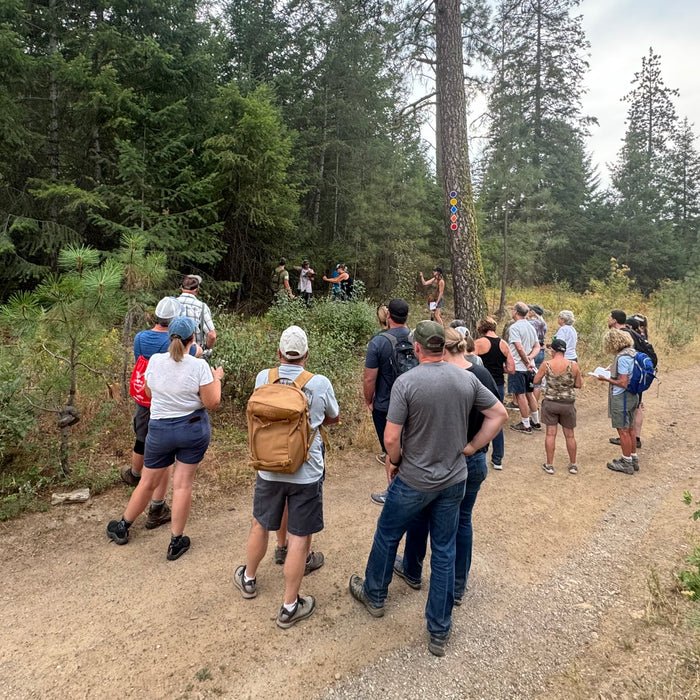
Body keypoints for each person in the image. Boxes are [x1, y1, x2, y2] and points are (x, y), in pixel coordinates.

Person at [348, 321, 506, 657]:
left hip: (414, 479)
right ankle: (439, 629)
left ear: (418, 348)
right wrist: (471, 448)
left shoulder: (407, 383)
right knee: (445, 551)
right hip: (453, 479)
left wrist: (395, 460)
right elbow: (499, 414)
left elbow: (391, 437)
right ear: (443, 346)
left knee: (388, 534)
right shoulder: (466, 378)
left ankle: (375, 596)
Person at [392, 328, 506, 619]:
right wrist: (476, 447)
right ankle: (456, 587)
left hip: (443, 459)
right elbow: (499, 413)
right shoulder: (479, 375)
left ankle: (414, 569)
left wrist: (467, 447)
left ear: (438, 347)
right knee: (461, 523)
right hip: (471, 460)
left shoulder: (438, 377)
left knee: (421, 517)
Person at [234, 326, 339, 629]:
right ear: (307, 355)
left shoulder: (262, 379)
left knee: (259, 523)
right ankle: (290, 605)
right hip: (305, 472)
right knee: (300, 536)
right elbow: (332, 415)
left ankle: (249, 578)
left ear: (279, 354)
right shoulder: (318, 383)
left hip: (267, 467)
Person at [106, 317, 223, 560]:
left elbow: (149, 391)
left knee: (147, 481)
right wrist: (217, 379)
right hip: (192, 429)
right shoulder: (199, 366)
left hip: (159, 429)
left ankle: (123, 526)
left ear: (171, 337)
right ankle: (175, 541)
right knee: (183, 484)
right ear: (193, 340)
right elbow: (212, 402)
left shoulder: (156, 361)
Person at [121, 297, 201, 532]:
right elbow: (191, 359)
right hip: (171, 408)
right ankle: (157, 505)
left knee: (141, 438)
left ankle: (135, 474)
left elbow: (140, 363)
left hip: (146, 401)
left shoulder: (140, 339)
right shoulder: (187, 346)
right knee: (162, 462)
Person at [363, 299, 411, 505]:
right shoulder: (416, 337)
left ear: (388, 316)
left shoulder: (379, 342)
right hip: (413, 402)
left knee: (391, 451)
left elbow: (369, 378)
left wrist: (369, 400)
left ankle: (392, 492)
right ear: (407, 316)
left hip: (386, 403)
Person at [606, 310, 656, 449]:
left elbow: (626, 361)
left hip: (629, 383)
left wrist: (608, 378)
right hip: (636, 376)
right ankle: (632, 445)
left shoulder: (624, 334)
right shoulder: (631, 332)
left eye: (609, 317)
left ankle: (631, 445)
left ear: (614, 320)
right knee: (636, 407)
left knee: (633, 412)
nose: (608, 320)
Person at [534, 338, 582, 475]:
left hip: (551, 402)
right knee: (570, 435)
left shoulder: (546, 364)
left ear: (553, 351)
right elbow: (579, 384)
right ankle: (573, 464)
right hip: (567, 403)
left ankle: (549, 465)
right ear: (565, 351)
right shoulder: (573, 365)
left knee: (550, 434)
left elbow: (536, 380)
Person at [474, 316, 515, 469]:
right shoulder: (504, 344)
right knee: (496, 420)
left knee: (477, 419)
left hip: (481, 384)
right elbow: (511, 369)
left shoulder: (478, 343)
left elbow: (471, 363)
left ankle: (477, 453)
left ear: (481, 328)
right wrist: (500, 369)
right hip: (497, 385)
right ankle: (497, 458)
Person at [597, 328, 639, 474]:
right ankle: (633, 458)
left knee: (623, 430)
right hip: (633, 396)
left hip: (622, 397)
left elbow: (623, 382)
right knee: (630, 428)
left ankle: (626, 462)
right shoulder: (633, 353)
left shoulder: (622, 358)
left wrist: (605, 378)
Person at [507, 302, 541, 434]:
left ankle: (526, 424)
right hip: (529, 367)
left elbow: (518, 347)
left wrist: (526, 360)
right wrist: (530, 358)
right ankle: (536, 421)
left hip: (519, 366)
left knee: (520, 394)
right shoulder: (530, 326)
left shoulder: (514, 328)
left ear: (515, 311)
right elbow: (537, 346)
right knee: (529, 393)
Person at [177, 274, 217, 350]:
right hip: (195, 352)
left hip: (173, 352)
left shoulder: (172, 304)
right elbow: (212, 335)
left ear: (181, 288)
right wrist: (206, 349)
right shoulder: (201, 307)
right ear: (197, 289)